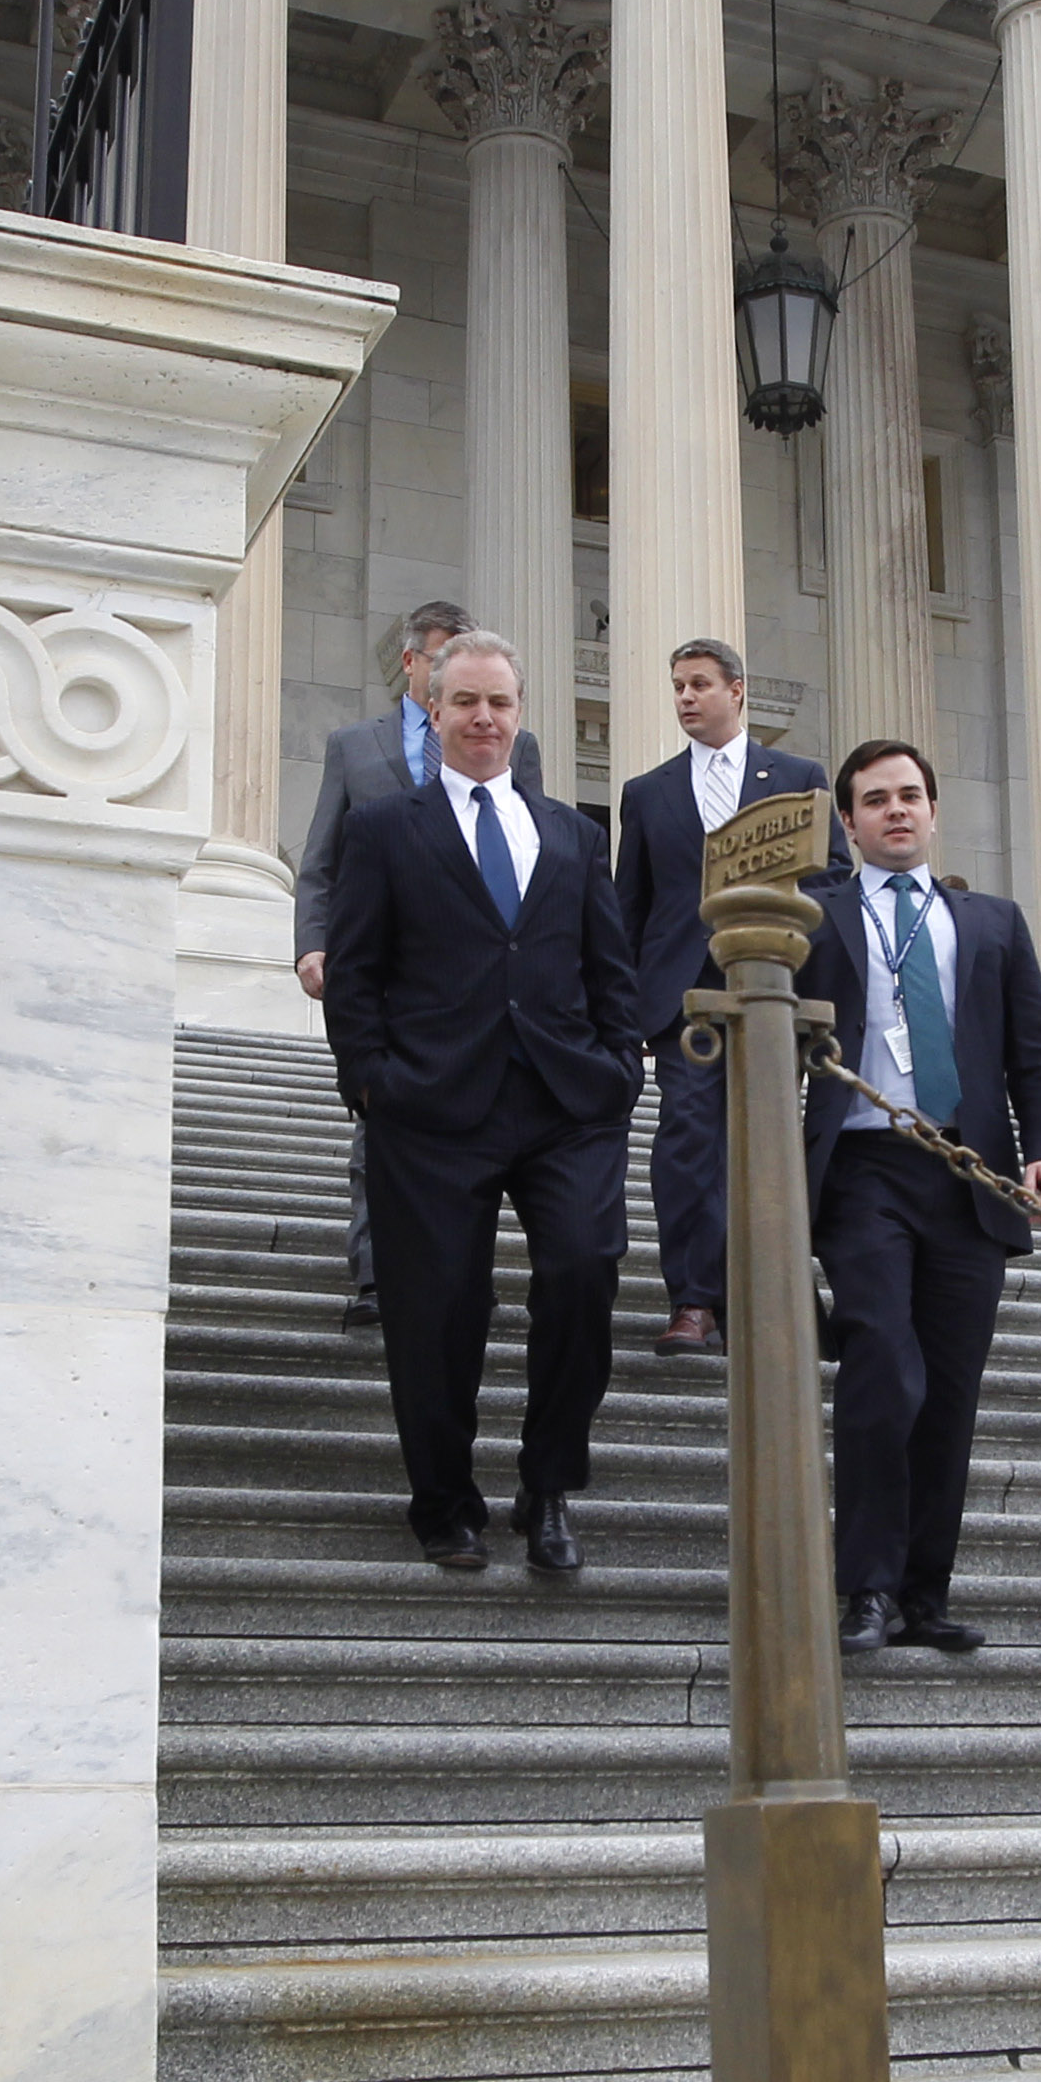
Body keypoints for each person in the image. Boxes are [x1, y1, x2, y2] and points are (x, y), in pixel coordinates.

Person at [320, 630, 639, 1574]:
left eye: (499, 702)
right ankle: (444, 1500)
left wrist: (619, 1066)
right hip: (429, 1107)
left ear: (520, 711)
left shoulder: (576, 836)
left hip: (565, 1102)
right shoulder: (384, 829)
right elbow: (355, 971)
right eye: (465, 701)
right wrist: (370, 1079)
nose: (484, 719)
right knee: (436, 1310)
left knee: (583, 1273)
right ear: (434, 709)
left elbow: (608, 968)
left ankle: (549, 1487)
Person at [799, 740, 1041, 1654]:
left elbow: (1036, 1051)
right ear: (849, 821)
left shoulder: (991, 921)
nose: (897, 810)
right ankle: (867, 1587)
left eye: (911, 794)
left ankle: (924, 1593)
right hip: (863, 1169)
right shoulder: (815, 914)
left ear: (932, 808)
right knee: (883, 1364)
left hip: (969, 1175)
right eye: (876, 799)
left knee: (949, 1391)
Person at [611, 636, 833, 1354]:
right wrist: (623, 1009)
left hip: (772, 990)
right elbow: (629, 907)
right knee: (688, 1140)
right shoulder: (648, 793)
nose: (685, 696)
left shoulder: (797, 778)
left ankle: (768, 1296)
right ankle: (695, 1299)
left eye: (699, 684)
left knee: (765, 1145)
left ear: (737, 690)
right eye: (678, 685)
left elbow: (830, 885)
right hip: (681, 999)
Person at [293, 601, 471, 1329]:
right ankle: (375, 1276)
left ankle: (459, 1274)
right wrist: (312, 942)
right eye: (442, 660)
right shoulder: (352, 746)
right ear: (410, 662)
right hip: (377, 965)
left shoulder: (506, 746)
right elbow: (321, 858)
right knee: (376, 1123)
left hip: (467, 966)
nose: (454, 676)